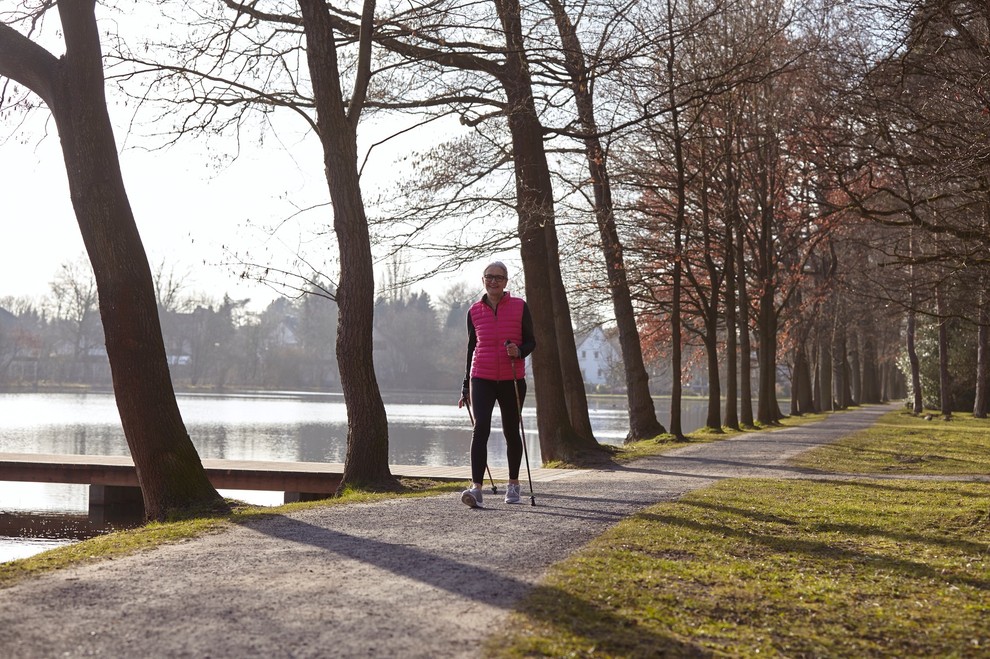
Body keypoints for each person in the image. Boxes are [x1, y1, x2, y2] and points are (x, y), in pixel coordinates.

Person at [458, 261, 535, 507]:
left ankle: (513, 485)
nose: (494, 281)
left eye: (499, 278)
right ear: (483, 280)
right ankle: (476, 489)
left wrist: (519, 351)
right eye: (489, 277)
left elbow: (532, 342)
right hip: (482, 376)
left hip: (512, 378)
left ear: (506, 281)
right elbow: (471, 348)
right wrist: (465, 384)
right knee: (480, 428)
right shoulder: (473, 311)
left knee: (511, 430)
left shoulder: (520, 307)